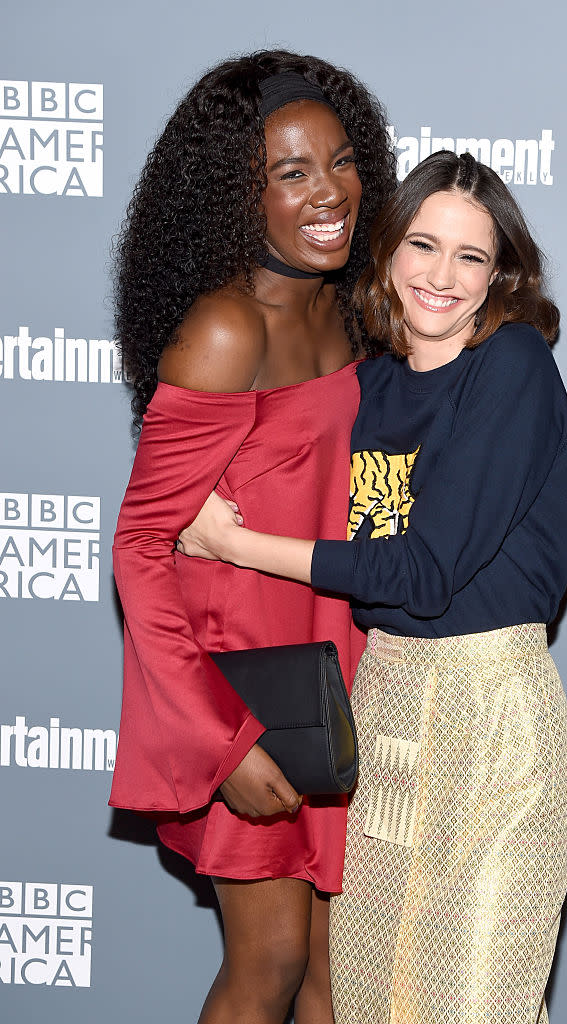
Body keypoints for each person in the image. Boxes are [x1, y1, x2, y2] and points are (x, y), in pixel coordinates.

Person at [178, 149, 567, 1024]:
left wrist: (237, 544)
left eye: (469, 257)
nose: (440, 277)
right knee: (364, 1001)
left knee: (475, 1002)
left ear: (498, 273)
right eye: (422, 247)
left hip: (491, 729)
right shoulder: (370, 382)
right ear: (387, 252)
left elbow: (424, 573)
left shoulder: (510, 366)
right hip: (381, 711)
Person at [109, 50, 396, 1024]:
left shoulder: (356, 309)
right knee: (267, 965)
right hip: (253, 696)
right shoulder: (226, 330)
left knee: (336, 980)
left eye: (341, 161)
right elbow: (141, 550)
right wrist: (219, 743)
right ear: (241, 196)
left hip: (349, 680)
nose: (329, 192)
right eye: (291, 172)